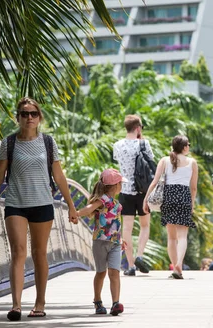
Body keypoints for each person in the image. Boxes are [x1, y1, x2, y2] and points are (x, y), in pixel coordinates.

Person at [0, 97, 78, 321]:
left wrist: (71, 206)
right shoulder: (9, 143)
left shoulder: (48, 142)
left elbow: (59, 176)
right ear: (18, 118)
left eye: (34, 113)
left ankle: (39, 303)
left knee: (39, 253)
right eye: (25, 114)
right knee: (18, 252)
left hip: (42, 203)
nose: (30, 117)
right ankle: (16, 305)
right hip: (15, 203)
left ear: (39, 117)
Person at [144, 135, 197, 279]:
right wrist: (191, 204)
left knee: (171, 238)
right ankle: (179, 264)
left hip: (168, 197)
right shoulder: (192, 162)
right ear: (185, 147)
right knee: (182, 236)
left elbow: (154, 182)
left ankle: (175, 268)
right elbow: (193, 188)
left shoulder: (164, 160)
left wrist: (146, 200)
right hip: (184, 196)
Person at [77, 169, 127, 316]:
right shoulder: (103, 200)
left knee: (115, 272)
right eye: (120, 184)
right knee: (101, 272)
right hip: (100, 241)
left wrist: (121, 238)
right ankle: (98, 301)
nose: (121, 186)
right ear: (114, 185)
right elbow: (89, 209)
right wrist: (77, 213)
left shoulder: (117, 203)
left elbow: (116, 222)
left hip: (115, 242)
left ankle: (115, 303)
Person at [113, 115, 153, 276]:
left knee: (127, 230)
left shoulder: (117, 145)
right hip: (143, 192)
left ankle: (130, 266)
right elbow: (150, 162)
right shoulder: (144, 143)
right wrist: (140, 139)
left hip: (125, 191)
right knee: (145, 225)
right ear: (138, 128)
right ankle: (140, 255)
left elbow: (118, 162)